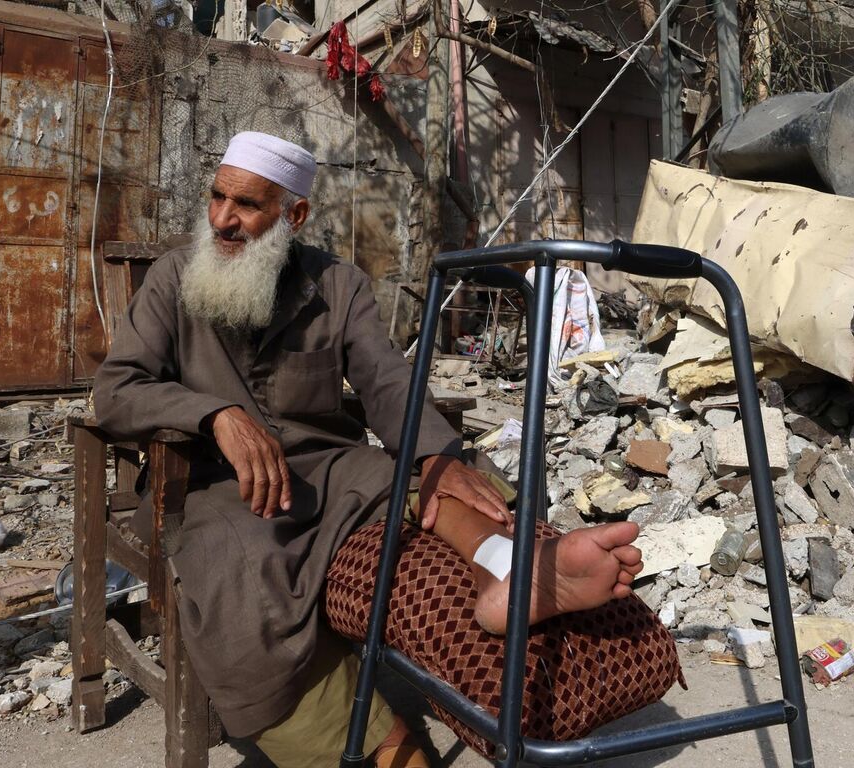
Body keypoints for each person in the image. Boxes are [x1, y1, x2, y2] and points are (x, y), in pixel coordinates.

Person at [93, 131, 646, 767]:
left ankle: (510, 568)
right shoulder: (172, 278)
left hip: (330, 469)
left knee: (444, 480)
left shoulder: (340, 285)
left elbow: (387, 380)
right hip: (214, 486)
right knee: (241, 579)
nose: (223, 218)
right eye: (218, 197)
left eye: (246, 205)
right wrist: (214, 414)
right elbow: (117, 390)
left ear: (293, 215)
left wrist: (434, 455)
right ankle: (377, 753)